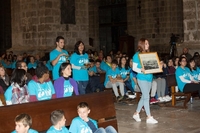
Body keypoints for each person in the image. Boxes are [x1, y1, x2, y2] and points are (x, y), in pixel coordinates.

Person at [132, 38, 158, 124]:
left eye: (148, 43)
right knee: (147, 97)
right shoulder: (137, 55)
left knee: (144, 97)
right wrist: (141, 70)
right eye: (146, 43)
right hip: (142, 78)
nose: (148, 45)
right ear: (142, 44)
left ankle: (136, 113)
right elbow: (134, 68)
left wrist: (158, 65)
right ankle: (148, 116)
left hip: (149, 77)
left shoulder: (149, 54)